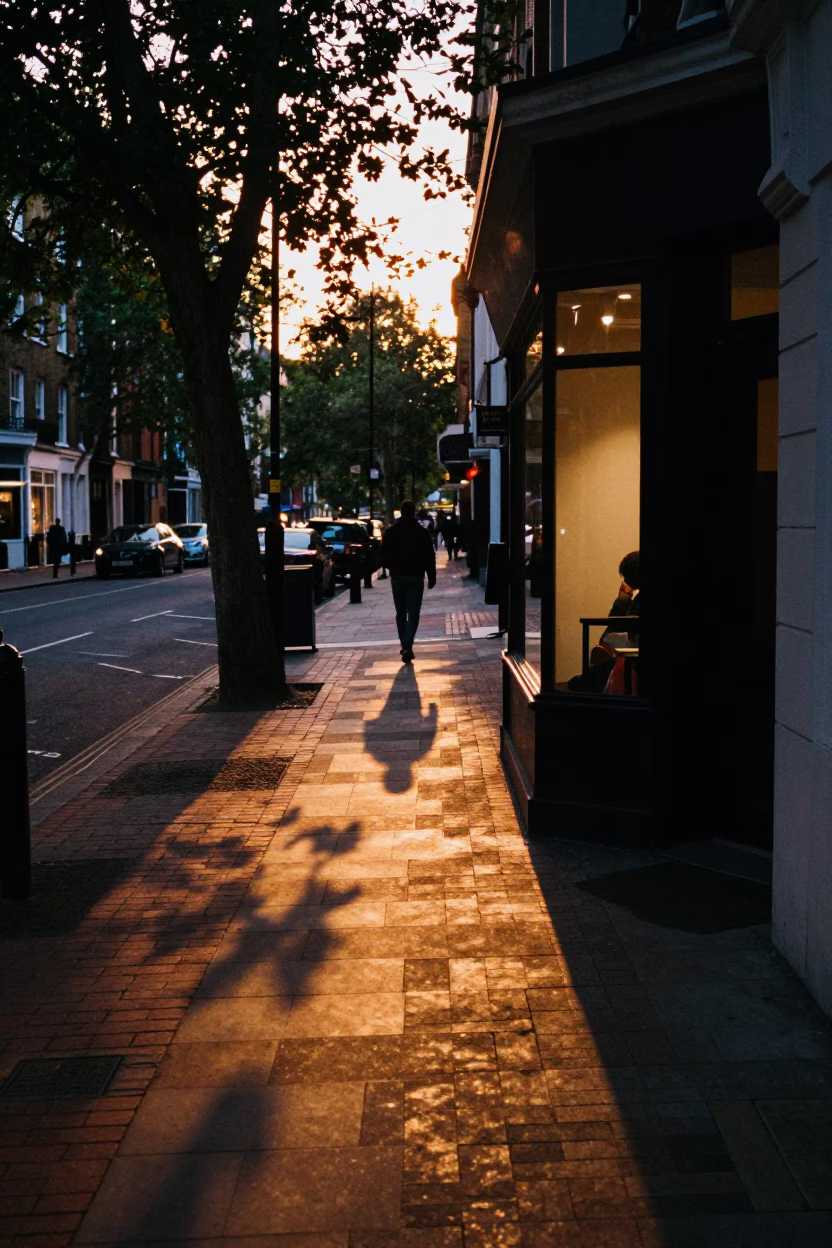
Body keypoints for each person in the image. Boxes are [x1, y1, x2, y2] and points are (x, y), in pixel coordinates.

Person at [381, 499, 436, 664]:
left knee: (400, 612)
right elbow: (429, 556)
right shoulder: (421, 532)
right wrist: (431, 576)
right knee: (413, 613)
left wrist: (392, 567)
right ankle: (407, 644)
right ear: (414, 512)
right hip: (416, 577)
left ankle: (405, 644)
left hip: (398, 577)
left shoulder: (392, 532)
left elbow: (383, 554)